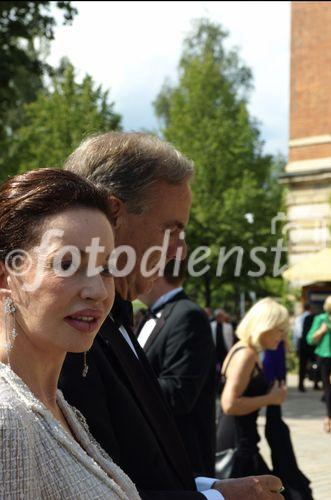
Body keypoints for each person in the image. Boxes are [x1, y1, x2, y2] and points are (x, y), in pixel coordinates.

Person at [59, 131, 285, 500]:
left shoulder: (115, 318)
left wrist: (212, 487)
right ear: (114, 214)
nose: (180, 250)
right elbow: (95, 489)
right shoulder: (73, 331)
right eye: (172, 229)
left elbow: (141, 465)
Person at [0, 168, 140, 499]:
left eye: (105, 267)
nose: (97, 291)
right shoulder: (6, 421)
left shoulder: (58, 406)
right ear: (6, 279)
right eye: (67, 265)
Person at [216, 298, 312, 500]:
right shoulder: (247, 354)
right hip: (237, 442)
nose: (282, 337)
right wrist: (270, 398)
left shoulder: (243, 349)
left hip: (242, 437)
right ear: (264, 326)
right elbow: (229, 404)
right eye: (279, 330)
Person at [137, 259, 216, 476]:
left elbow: (179, 393)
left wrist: (121, 385)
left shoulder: (187, 315)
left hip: (182, 460)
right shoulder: (152, 314)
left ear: (154, 271)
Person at [307, 295, 331, 433]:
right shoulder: (320, 319)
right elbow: (310, 339)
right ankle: (328, 417)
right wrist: (320, 332)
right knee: (328, 388)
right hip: (325, 356)